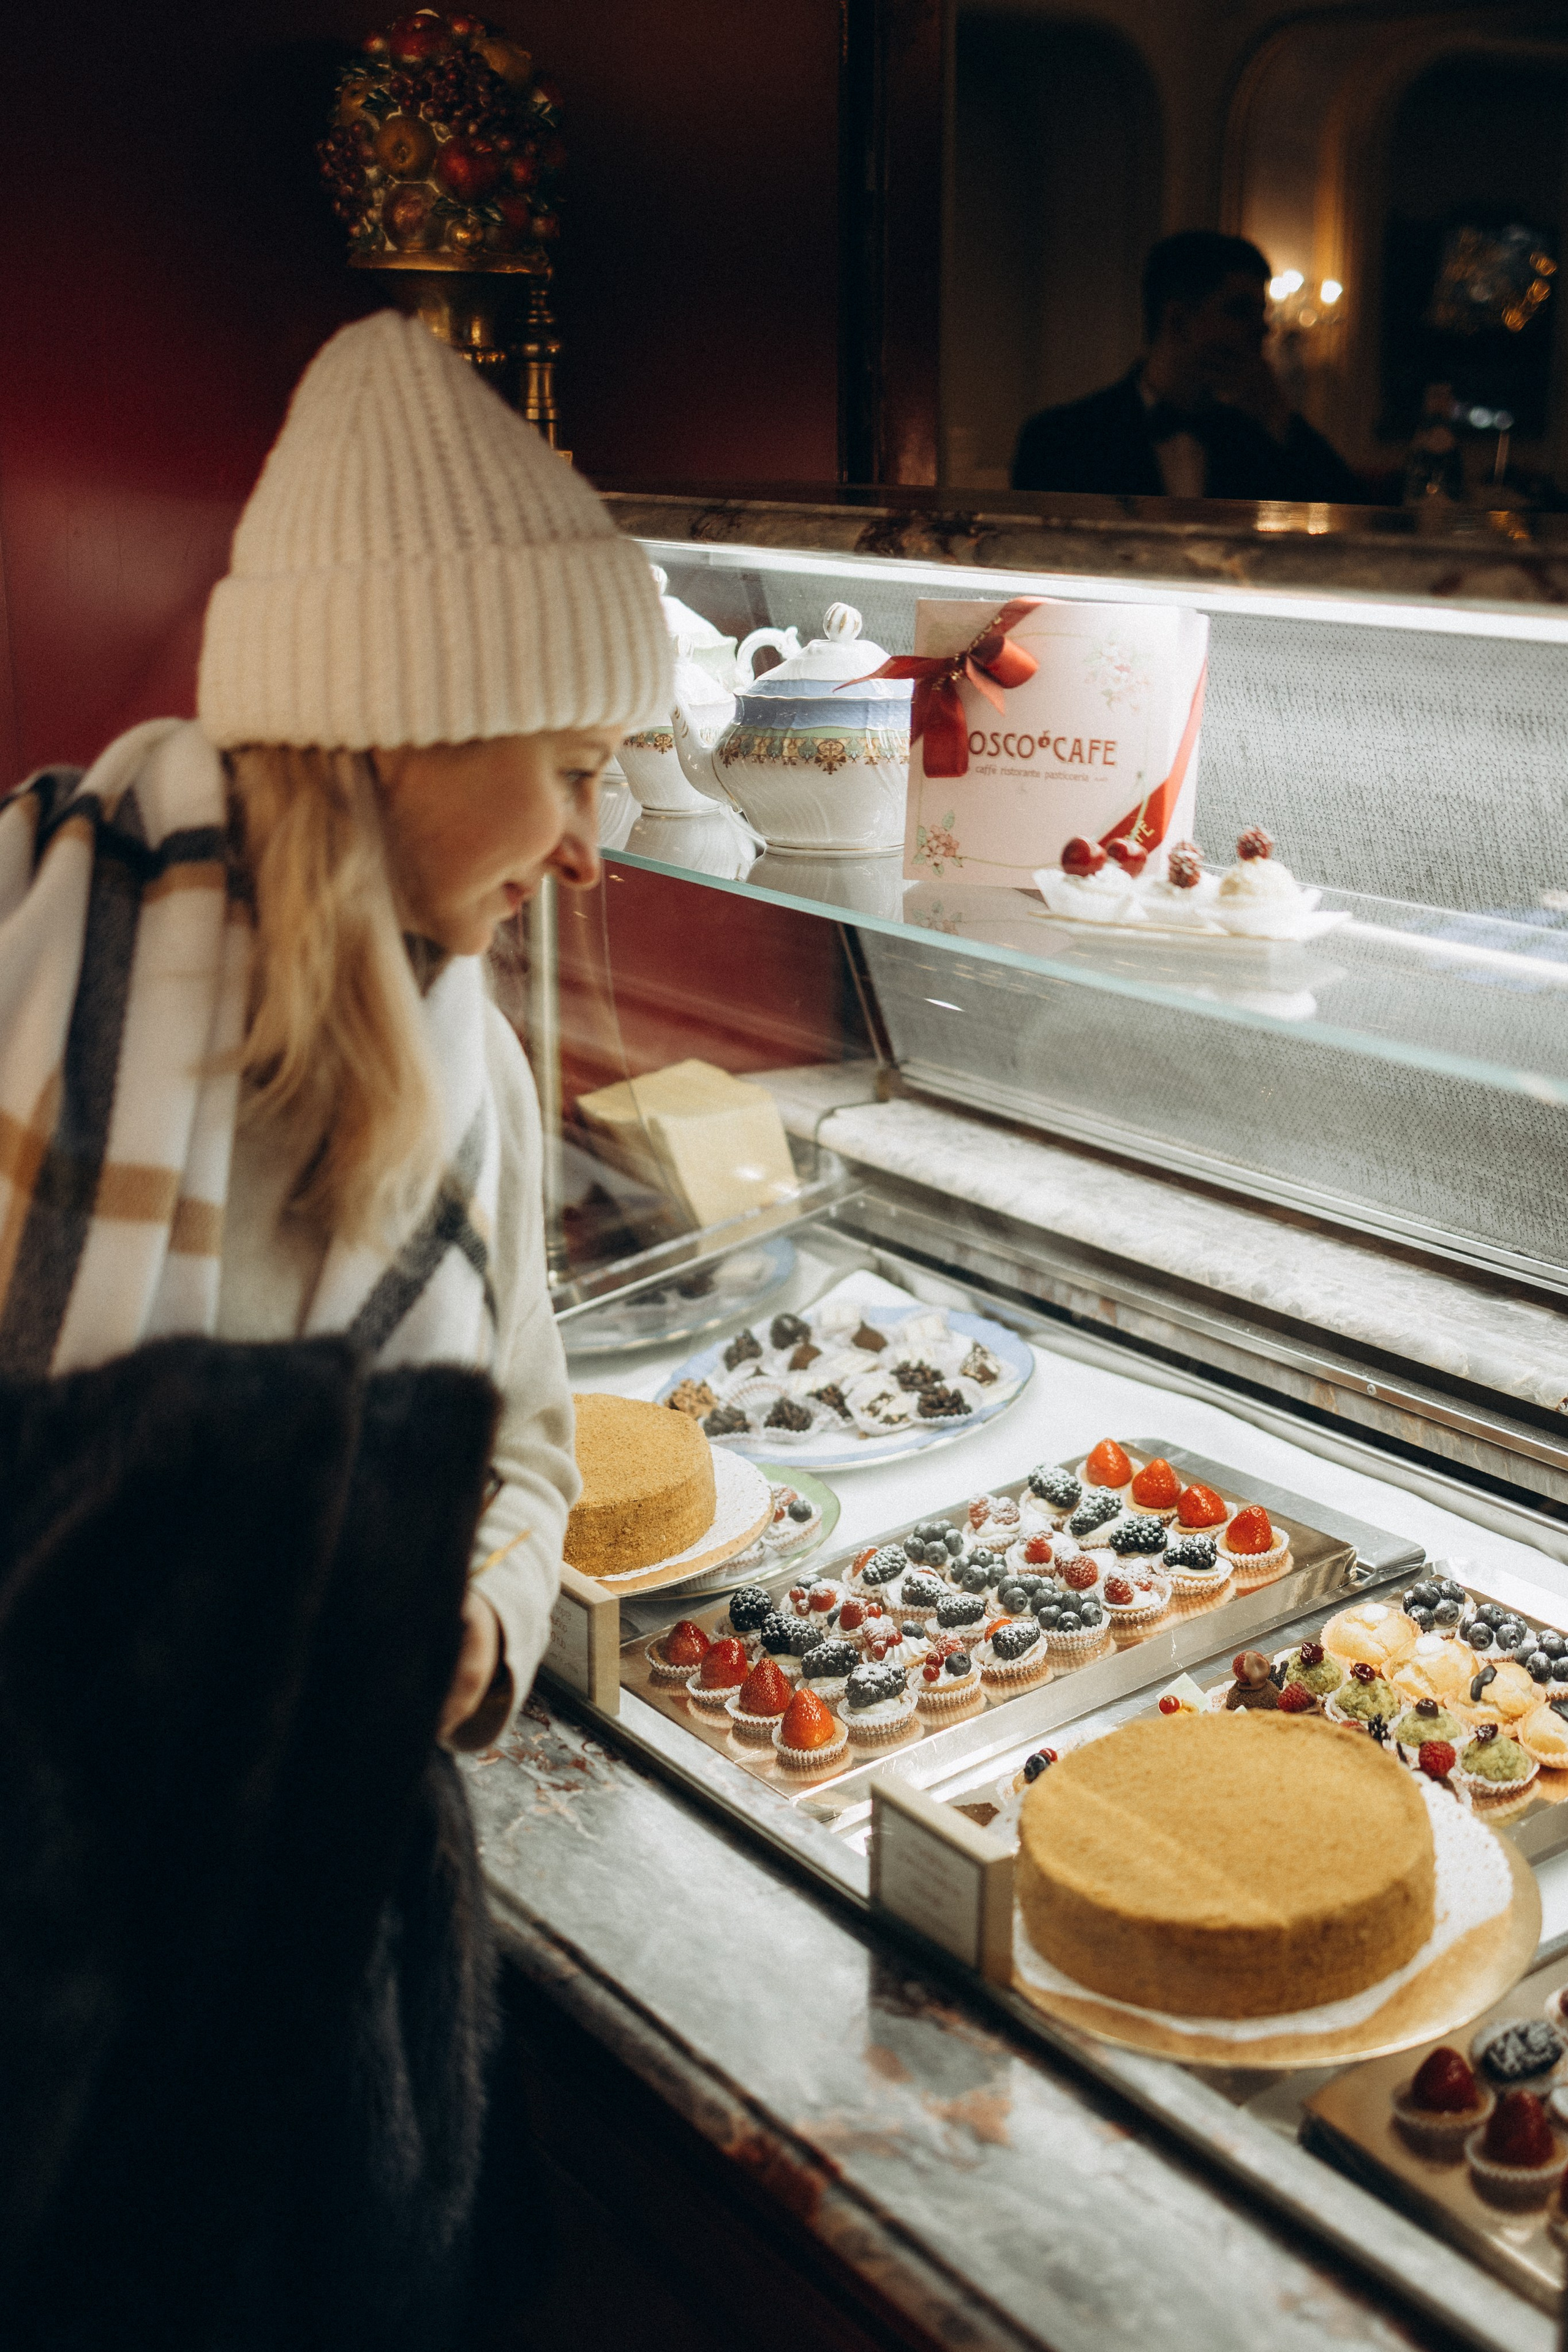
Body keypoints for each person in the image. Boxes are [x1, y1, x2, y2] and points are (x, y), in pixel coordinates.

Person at [0, 307, 669, 1747]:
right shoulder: (23, 951)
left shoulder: (475, 1076)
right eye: (571, 769)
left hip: (312, 1847)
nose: (585, 853)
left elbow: (529, 1444)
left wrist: (483, 1615)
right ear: (401, 733)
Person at [1011, 229, 1365, 503]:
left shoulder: (1257, 440)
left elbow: (1350, 516)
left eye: (1262, 313)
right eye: (1239, 310)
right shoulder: (1061, 440)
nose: (1263, 330)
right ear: (1178, 321)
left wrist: (1279, 416)